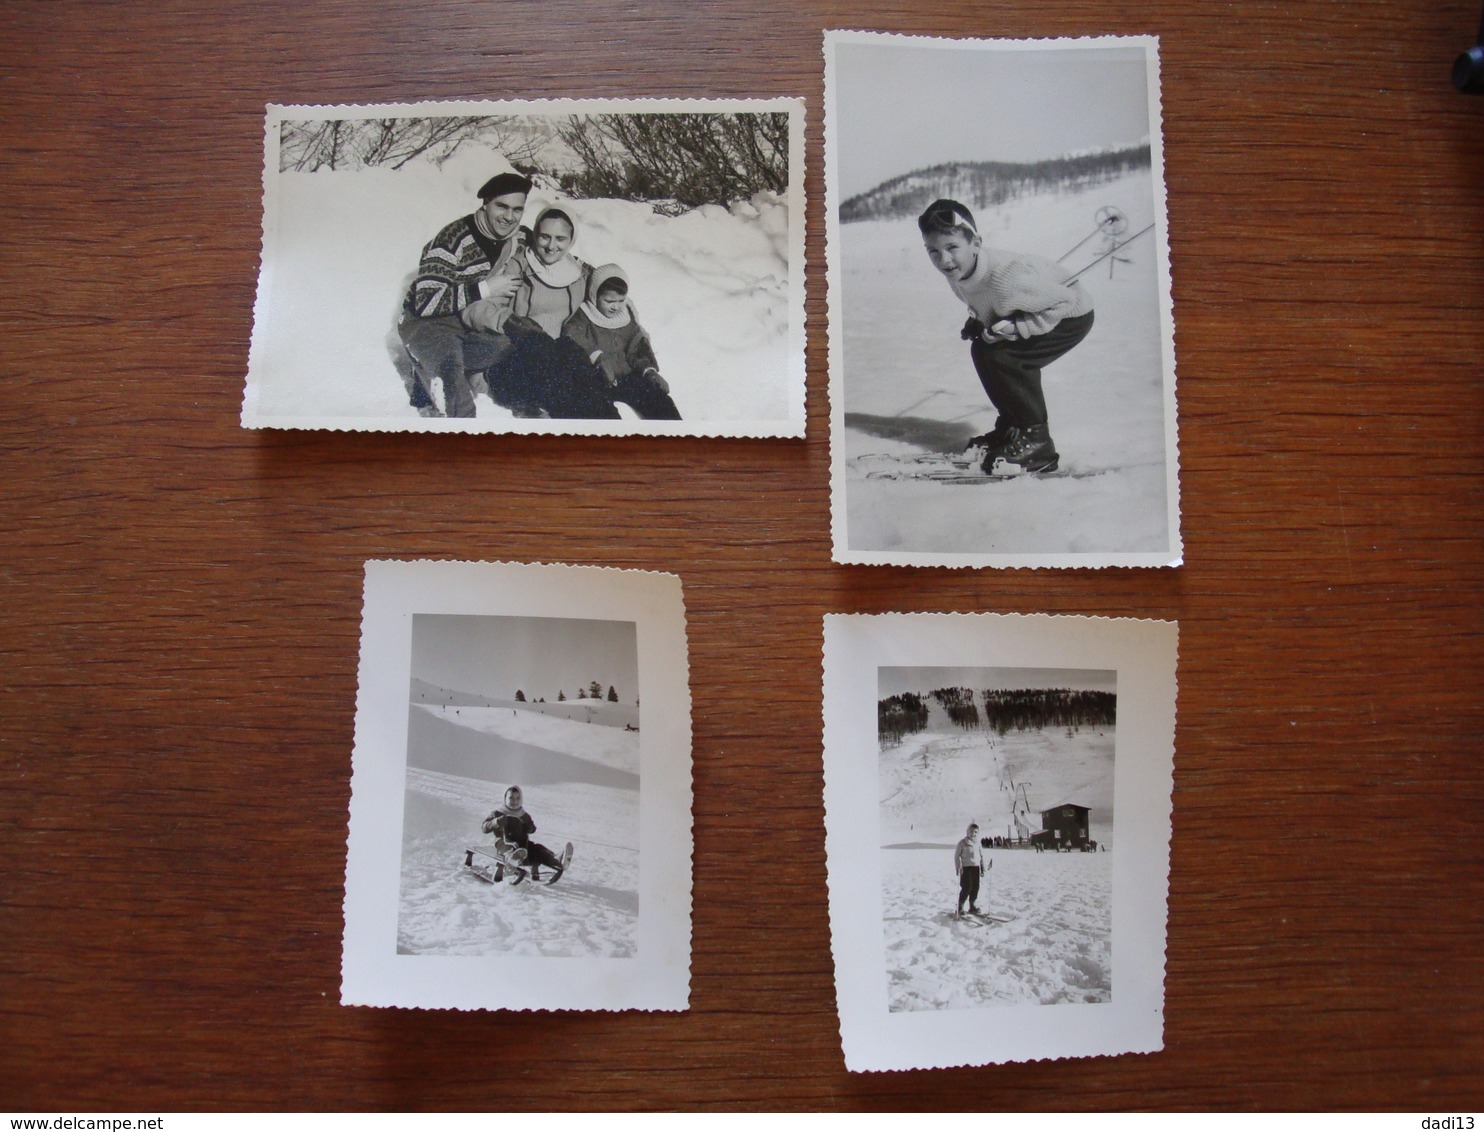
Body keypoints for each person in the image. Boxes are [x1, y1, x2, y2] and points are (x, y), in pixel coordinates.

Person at [918, 198, 1095, 475]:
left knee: (1006, 358)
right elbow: (988, 302)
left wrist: (1018, 327)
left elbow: (1065, 300)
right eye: (933, 251)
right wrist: (979, 322)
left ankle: (1037, 442)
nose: (944, 260)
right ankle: (1014, 427)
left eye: (952, 247)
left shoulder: (1006, 278)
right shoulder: (960, 274)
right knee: (983, 351)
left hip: (1070, 317)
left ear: (975, 243)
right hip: (1038, 310)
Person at [398, 171, 533, 418]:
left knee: (511, 345)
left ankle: (430, 368)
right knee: (451, 372)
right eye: (501, 206)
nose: (509, 217)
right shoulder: (452, 238)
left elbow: (552, 252)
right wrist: (487, 288)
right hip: (427, 323)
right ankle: (464, 436)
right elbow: (426, 302)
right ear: (485, 204)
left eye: (517, 209)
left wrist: (603, 285)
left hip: (467, 321)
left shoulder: (517, 237)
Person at [486, 207, 621, 419]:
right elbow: (492, 306)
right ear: (535, 235)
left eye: (560, 239)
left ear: (571, 240)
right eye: (545, 237)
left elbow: (612, 294)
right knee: (566, 394)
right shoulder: (519, 265)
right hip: (523, 352)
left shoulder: (580, 272)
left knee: (594, 390)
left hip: (564, 354)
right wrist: (513, 323)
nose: (551, 246)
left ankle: (616, 438)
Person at [561, 264, 682, 420]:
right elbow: (572, 335)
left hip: (628, 377)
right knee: (600, 410)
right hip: (599, 379)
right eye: (609, 301)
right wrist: (597, 357)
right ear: (594, 295)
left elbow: (637, 347)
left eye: (621, 300)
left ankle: (675, 437)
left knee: (659, 400)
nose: (616, 307)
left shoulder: (627, 318)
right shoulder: (585, 315)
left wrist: (649, 371)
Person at [482, 785, 568, 883]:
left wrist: (530, 827)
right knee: (509, 849)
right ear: (505, 798)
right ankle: (512, 861)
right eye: (511, 798)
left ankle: (554, 859)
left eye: (517, 798)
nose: (514, 801)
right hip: (504, 843)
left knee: (537, 848)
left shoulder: (523, 814)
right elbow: (484, 827)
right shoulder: (498, 813)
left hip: (522, 844)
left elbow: (532, 828)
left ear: (521, 799)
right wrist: (495, 822)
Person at [954, 821, 990, 917]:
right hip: (966, 868)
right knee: (967, 887)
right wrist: (958, 867)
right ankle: (960, 907)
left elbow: (981, 856)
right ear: (967, 832)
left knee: (975, 887)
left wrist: (983, 868)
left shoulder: (978, 843)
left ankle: (972, 906)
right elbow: (957, 856)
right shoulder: (962, 843)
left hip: (976, 868)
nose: (973, 834)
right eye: (971, 831)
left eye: (975, 832)